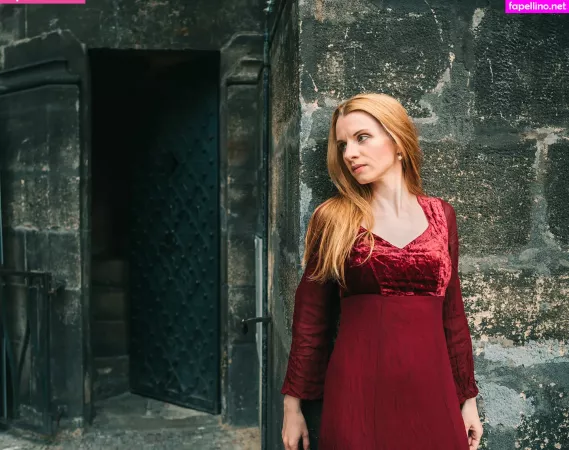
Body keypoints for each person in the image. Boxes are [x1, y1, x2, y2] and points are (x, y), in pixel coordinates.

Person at [281, 93, 483, 450]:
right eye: (343, 145)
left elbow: (453, 314)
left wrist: (467, 400)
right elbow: (311, 316)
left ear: (398, 140)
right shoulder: (334, 218)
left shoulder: (442, 216)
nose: (350, 153)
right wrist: (292, 406)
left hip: (432, 392)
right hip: (357, 392)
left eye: (362, 138)